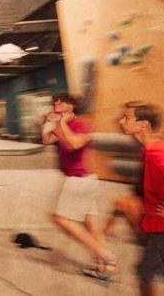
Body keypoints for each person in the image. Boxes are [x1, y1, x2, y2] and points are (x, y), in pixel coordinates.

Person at [42, 93, 118, 281]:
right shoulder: (62, 124)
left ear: (72, 106)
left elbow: (74, 144)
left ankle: (108, 257)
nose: (56, 104)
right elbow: (46, 140)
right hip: (82, 180)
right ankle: (102, 268)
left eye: (61, 102)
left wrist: (61, 124)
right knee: (92, 226)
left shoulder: (82, 124)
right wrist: (48, 122)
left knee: (60, 218)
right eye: (55, 102)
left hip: (80, 180)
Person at [119, 101, 164, 296]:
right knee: (145, 274)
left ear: (143, 124)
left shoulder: (158, 152)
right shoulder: (148, 149)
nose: (121, 121)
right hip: (158, 229)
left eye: (127, 118)